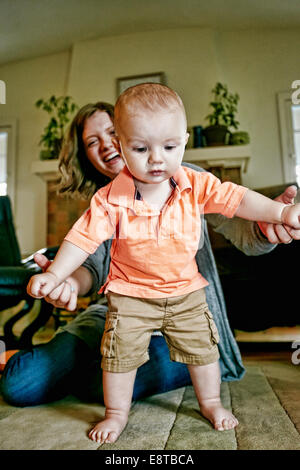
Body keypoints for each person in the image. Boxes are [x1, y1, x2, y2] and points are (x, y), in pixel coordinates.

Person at [26, 83, 300, 444]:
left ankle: (211, 401)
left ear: (183, 142)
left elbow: (237, 200)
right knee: (117, 359)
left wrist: (280, 211)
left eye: (169, 147)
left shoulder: (193, 182)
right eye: (140, 148)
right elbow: (83, 241)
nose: (157, 159)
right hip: (130, 299)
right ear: (125, 147)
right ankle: (116, 413)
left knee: (203, 352)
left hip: (186, 294)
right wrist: (59, 275)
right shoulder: (108, 200)